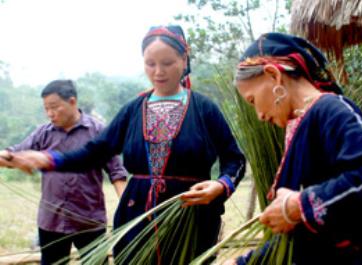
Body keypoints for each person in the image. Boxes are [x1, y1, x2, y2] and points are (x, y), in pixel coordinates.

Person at [5, 25, 246, 264]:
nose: (158, 71)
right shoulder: (133, 110)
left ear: (184, 60)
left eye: (167, 63)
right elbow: (95, 152)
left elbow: (234, 159)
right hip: (137, 215)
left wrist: (220, 185)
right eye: (150, 64)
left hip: (191, 216)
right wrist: (50, 159)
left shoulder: (204, 108)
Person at [223, 32, 362, 265]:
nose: (260, 116)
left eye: (253, 100)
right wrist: (244, 262)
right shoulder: (300, 128)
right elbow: (297, 237)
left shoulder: (330, 110)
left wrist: (297, 205)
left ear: (273, 75)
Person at [0, 80, 128, 265]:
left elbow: (116, 172)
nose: (50, 113)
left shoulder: (98, 131)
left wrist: (126, 208)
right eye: (46, 108)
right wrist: (6, 156)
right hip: (52, 220)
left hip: (88, 219)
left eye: (54, 107)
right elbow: (16, 154)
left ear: (72, 102)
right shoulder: (43, 133)